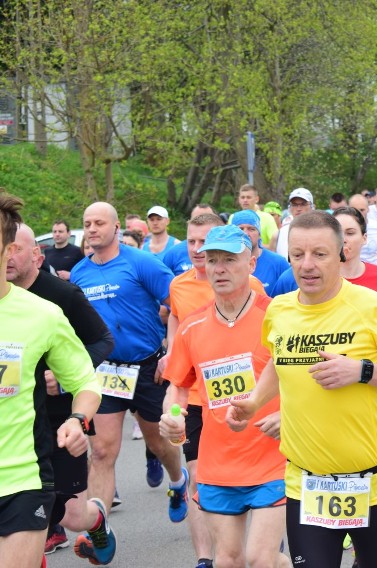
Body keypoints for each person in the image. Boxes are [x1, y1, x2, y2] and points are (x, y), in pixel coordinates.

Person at [227, 210, 377, 567]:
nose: (307, 265)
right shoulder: (280, 311)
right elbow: (280, 360)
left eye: (319, 254)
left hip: (373, 483)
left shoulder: (374, 308)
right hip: (307, 485)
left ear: (342, 254)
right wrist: (255, 400)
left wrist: (362, 371)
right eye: (297, 254)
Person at [159, 225, 288, 568]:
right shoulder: (192, 326)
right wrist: (173, 415)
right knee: (228, 560)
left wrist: (287, 415)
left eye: (229, 260)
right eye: (211, 260)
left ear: (252, 263)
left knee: (262, 559)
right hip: (218, 464)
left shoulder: (278, 317)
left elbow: (303, 379)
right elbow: (178, 386)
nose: (218, 268)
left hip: (273, 459)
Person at [70, 202, 189, 527]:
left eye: (99, 223)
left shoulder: (141, 262)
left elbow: (178, 303)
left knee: (159, 444)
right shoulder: (81, 272)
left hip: (148, 367)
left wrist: (172, 352)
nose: (92, 229)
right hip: (106, 372)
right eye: (87, 223)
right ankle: (99, 528)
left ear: (116, 227)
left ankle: (178, 482)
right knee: (103, 452)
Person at [0, 192, 101, 568]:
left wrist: (77, 420)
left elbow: (86, 383)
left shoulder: (43, 314)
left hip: (22, 479)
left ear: (9, 249)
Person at [231, 210, 289, 292]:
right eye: (240, 229)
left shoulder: (278, 263)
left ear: (259, 234)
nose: (245, 233)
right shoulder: (225, 265)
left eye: (251, 229)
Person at [161, 204, 217, 276]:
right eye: (196, 219)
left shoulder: (227, 254)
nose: (201, 222)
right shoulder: (174, 253)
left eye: (207, 219)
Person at [349, 193, 377, 266]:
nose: (359, 214)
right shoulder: (341, 229)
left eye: (362, 210)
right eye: (355, 210)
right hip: (350, 275)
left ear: (368, 209)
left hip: (376, 275)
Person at [273, 187, 314, 257]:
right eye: (294, 205)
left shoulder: (321, 232)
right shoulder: (279, 234)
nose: (298, 209)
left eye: (303, 204)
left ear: (311, 206)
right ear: (290, 208)